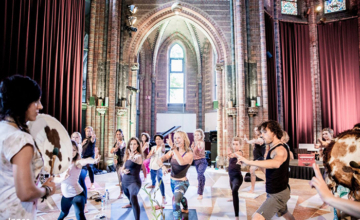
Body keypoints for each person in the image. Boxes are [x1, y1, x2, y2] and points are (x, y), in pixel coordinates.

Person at [0, 75, 55, 219]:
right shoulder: (21, 138)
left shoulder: (2, 129)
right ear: (22, 102)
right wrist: (47, 190)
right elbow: (26, 193)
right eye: (36, 101)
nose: (40, 106)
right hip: (16, 213)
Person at [237, 120, 294, 220]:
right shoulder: (274, 147)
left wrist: (249, 162)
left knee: (257, 217)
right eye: (261, 132)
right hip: (277, 191)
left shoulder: (279, 149)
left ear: (274, 132)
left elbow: (275, 163)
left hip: (278, 194)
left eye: (265, 132)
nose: (262, 135)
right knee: (285, 213)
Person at [157, 131, 193, 220]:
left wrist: (173, 148)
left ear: (184, 139)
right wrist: (163, 166)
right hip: (172, 182)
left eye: (179, 137)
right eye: (175, 138)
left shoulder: (189, 154)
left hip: (182, 182)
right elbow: (160, 159)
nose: (176, 140)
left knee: (175, 201)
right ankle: (185, 208)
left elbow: (181, 162)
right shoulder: (172, 152)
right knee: (179, 197)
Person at [57, 140, 96, 220]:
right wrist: (62, 178)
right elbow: (55, 178)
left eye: (74, 150)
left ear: (77, 151)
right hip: (66, 196)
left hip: (77, 195)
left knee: (80, 216)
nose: (72, 152)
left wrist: (94, 161)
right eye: (69, 149)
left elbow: (85, 161)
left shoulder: (76, 162)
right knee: (63, 213)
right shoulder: (61, 162)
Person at [121, 137, 144, 220]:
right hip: (125, 181)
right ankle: (130, 203)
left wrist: (131, 157)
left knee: (133, 196)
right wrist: (123, 171)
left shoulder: (139, 156)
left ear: (138, 145)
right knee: (129, 196)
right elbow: (122, 168)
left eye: (134, 144)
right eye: (131, 144)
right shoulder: (127, 155)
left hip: (134, 182)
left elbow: (135, 159)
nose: (132, 146)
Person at [243, 126, 266, 193]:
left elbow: (257, 141)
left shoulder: (261, 138)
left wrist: (248, 141)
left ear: (259, 131)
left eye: (256, 130)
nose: (255, 131)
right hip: (257, 158)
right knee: (265, 171)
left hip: (259, 159)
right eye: (254, 130)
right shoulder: (259, 138)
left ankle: (252, 189)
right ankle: (269, 181)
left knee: (251, 170)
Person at [71, 131, 89, 213]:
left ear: (80, 138)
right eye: (73, 137)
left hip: (82, 167)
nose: (75, 138)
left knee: (81, 180)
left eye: (76, 137)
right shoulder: (70, 147)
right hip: (73, 167)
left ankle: (85, 204)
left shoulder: (80, 146)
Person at [227, 137, 244, 220]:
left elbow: (235, 155)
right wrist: (228, 157)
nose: (235, 146)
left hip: (238, 177)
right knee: (232, 190)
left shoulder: (240, 153)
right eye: (233, 144)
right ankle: (233, 197)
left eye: (237, 144)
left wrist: (230, 154)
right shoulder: (232, 155)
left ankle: (236, 216)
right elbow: (229, 163)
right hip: (231, 177)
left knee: (234, 191)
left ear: (240, 145)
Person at [146, 134, 166, 205]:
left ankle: (163, 196)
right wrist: (151, 154)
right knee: (152, 178)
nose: (158, 140)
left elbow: (163, 151)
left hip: (159, 166)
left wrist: (163, 146)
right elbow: (148, 156)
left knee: (160, 179)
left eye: (159, 139)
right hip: (152, 166)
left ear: (162, 140)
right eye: (156, 139)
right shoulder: (153, 147)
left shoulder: (162, 147)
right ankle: (153, 185)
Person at [191, 129, 207, 200]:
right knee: (200, 175)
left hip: (202, 161)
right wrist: (192, 148)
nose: (196, 136)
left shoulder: (201, 142)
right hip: (196, 161)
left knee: (200, 175)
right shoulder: (195, 143)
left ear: (201, 136)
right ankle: (202, 183)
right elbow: (195, 153)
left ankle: (200, 193)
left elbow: (201, 148)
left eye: (198, 135)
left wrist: (200, 148)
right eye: (195, 135)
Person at [110, 129, 126, 199]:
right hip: (117, 162)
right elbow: (111, 151)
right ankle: (122, 189)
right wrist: (115, 148)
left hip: (123, 161)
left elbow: (121, 146)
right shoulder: (115, 143)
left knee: (121, 176)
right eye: (117, 134)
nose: (118, 135)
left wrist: (117, 147)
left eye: (119, 134)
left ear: (122, 135)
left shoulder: (123, 142)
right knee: (119, 177)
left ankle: (121, 192)